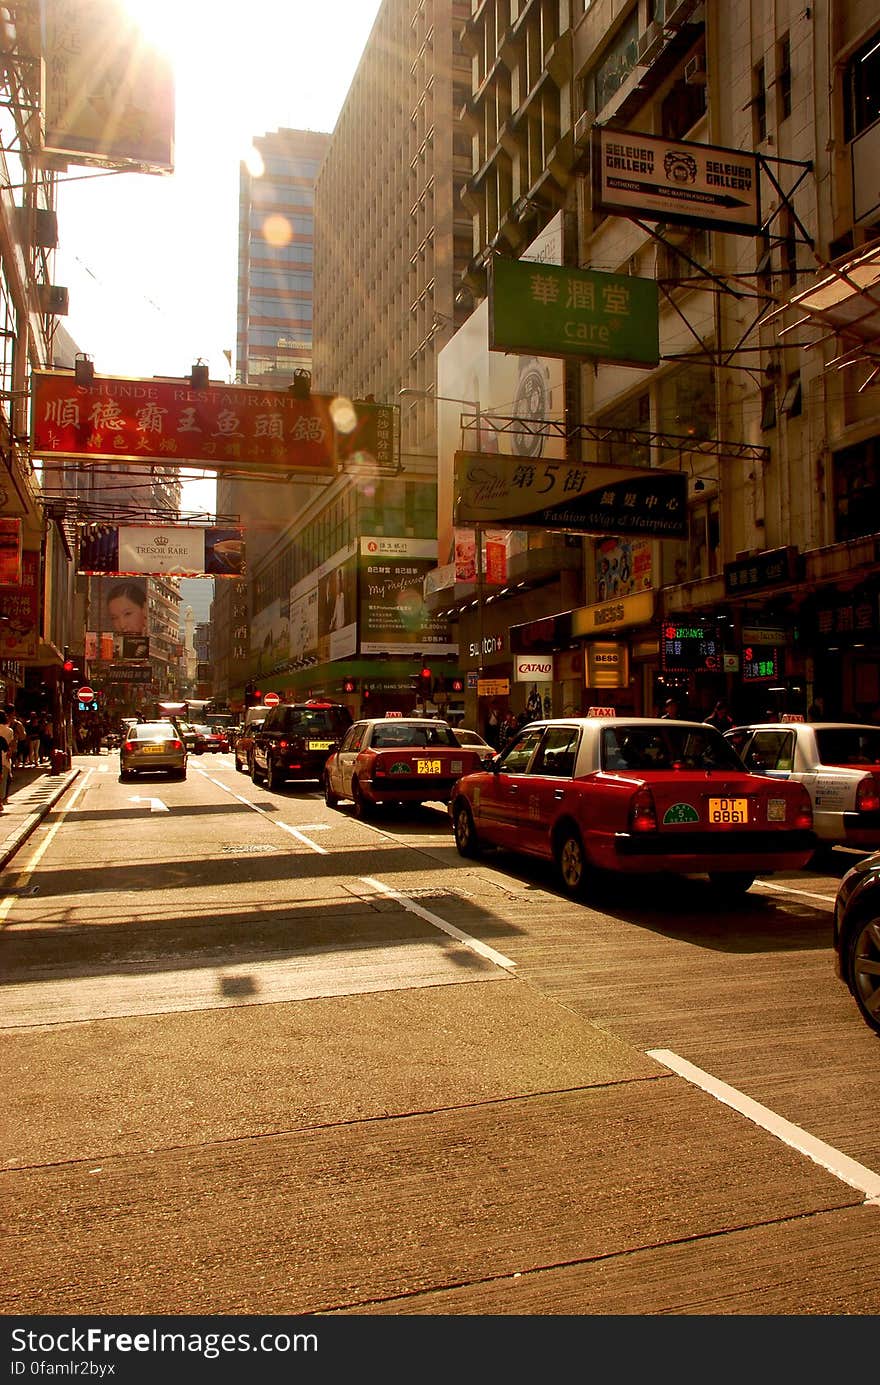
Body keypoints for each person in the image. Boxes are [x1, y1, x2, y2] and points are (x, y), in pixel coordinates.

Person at [0, 711, 14, 806]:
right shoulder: (9, 731)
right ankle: (2, 800)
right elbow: (10, 746)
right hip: (4, 757)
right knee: (5, 779)